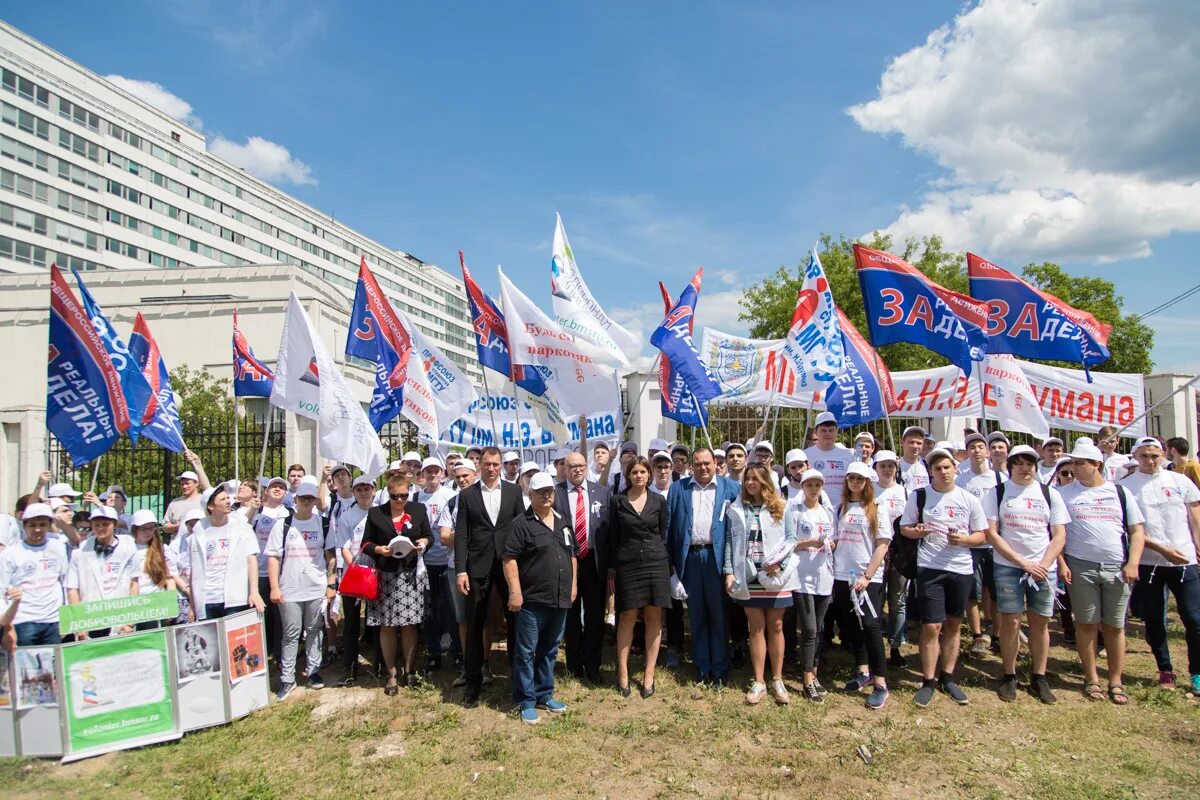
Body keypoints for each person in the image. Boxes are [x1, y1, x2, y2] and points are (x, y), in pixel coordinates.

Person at [1058, 437, 1145, 704]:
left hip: (1117, 567)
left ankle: (1115, 680)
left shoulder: (1119, 492)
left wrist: (1133, 563)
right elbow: (1057, 533)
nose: (1073, 467)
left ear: (1096, 464)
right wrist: (1061, 563)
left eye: (1079, 463)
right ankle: (1091, 678)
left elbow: (1137, 530)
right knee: (1086, 623)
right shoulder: (1064, 493)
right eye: (1072, 462)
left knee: (1115, 625)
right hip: (1080, 566)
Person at [899, 449, 988, 708]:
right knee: (931, 626)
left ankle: (948, 676)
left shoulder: (968, 499)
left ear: (955, 469)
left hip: (960, 568)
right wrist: (916, 531)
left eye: (947, 467)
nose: (943, 472)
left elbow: (982, 535)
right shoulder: (920, 496)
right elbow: (905, 528)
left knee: (954, 623)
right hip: (930, 567)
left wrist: (966, 540)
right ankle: (928, 680)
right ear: (930, 472)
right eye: (937, 468)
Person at [983, 445, 1069, 704]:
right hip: (1009, 566)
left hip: (1044, 568)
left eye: (1030, 462)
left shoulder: (1049, 494)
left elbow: (1059, 534)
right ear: (1010, 466)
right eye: (1019, 462)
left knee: (1040, 622)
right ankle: (1009, 674)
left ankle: (1038, 675)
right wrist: (1021, 562)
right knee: (1010, 621)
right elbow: (991, 533)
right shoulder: (997, 493)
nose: (1025, 467)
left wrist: (1043, 562)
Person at [1122, 436, 1200, 692]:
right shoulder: (1126, 487)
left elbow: (1194, 516)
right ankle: (1165, 669)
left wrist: (1198, 547)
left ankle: (1196, 671)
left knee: (1194, 618)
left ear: (1164, 454)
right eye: (1144, 456)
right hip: (1148, 562)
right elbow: (1131, 529)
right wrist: (1162, 550)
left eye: (1155, 455)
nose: (1150, 460)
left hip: (1184, 560)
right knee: (1155, 619)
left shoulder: (1180, 481)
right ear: (1135, 456)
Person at [502, 472, 577, 724]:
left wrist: (573, 585)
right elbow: (509, 558)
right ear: (530, 495)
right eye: (541, 492)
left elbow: (572, 556)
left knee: (550, 649)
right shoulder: (520, 524)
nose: (547, 495)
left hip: (559, 597)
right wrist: (515, 591)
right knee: (526, 652)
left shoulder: (563, 521)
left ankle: (545, 693)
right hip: (532, 599)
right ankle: (526, 700)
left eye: (550, 491)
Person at [454, 447, 526, 706]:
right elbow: (461, 534)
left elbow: (521, 528)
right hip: (478, 566)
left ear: (501, 465)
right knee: (474, 624)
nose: (492, 468)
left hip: (508, 564)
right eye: (487, 464)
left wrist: (522, 567)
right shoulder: (467, 495)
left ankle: (518, 679)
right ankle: (472, 683)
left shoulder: (514, 491)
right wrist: (461, 569)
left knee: (516, 622)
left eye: (496, 464)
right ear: (479, 466)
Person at [667, 447, 740, 688]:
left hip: (717, 557)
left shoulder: (730, 488)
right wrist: (672, 571)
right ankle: (702, 666)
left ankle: (719, 668)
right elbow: (669, 530)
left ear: (716, 463)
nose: (703, 468)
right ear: (691, 465)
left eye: (707, 463)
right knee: (697, 614)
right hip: (690, 558)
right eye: (698, 463)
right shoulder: (678, 489)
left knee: (718, 614)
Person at [724, 465, 796, 705]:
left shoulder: (782, 506)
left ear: (766, 481)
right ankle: (759, 681)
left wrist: (779, 564)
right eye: (747, 479)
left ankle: (777, 679)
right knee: (754, 627)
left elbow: (791, 539)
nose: (750, 483)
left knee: (775, 626)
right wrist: (729, 572)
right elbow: (729, 541)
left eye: (755, 479)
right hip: (749, 576)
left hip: (775, 576)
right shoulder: (737, 507)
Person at [362, 469, 432, 695]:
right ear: (388, 494)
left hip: (411, 575)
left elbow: (429, 536)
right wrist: (378, 550)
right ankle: (391, 672)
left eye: (404, 495)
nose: (400, 500)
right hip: (386, 575)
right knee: (388, 625)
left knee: (410, 624)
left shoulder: (418, 510)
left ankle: (410, 670)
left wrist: (423, 542)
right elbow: (366, 544)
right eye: (395, 496)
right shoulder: (376, 514)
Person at [607, 456, 670, 697]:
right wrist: (613, 566)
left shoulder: (658, 501)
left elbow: (662, 531)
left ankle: (649, 673)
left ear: (649, 475)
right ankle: (622, 672)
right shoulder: (618, 501)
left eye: (643, 471)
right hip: (628, 565)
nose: (639, 475)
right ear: (629, 475)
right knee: (627, 617)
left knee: (654, 618)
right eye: (635, 472)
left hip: (655, 563)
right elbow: (613, 536)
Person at [267, 481, 336, 700]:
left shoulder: (323, 524)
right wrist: (275, 587)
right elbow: (274, 558)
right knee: (291, 633)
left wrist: (331, 582)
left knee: (315, 630)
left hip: (315, 587)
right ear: (295, 500)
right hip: (290, 588)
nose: (306, 502)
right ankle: (287, 678)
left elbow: (330, 556)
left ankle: (313, 671)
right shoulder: (283, 525)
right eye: (302, 498)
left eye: (310, 498)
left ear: (315, 501)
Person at [830, 462, 891, 709]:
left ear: (868, 482)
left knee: (870, 626)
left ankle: (880, 683)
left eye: (860, 478)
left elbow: (882, 545)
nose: (855, 482)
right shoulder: (840, 508)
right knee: (851, 626)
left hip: (867, 578)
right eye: (851, 478)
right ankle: (862, 671)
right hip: (842, 575)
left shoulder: (876, 508)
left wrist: (867, 575)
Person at [555, 451, 612, 683]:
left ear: (586, 467)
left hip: (595, 563)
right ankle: (574, 665)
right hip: (569, 563)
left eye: (580, 465)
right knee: (570, 617)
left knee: (594, 617)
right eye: (572, 466)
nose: (577, 470)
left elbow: (609, 530)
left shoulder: (603, 492)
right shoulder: (556, 493)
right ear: (565, 469)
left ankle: (593, 665)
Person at [787, 469, 835, 702]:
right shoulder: (795, 510)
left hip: (824, 576)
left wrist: (829, 544)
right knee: (809, 629)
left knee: (819, 629)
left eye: (817, 485)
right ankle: (806, 679)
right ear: (802, 486)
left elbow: (832, 540)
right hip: (802, 576)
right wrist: (810, 542)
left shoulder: (827, 512)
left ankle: (814, 673)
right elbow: (789, 542)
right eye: (809, 485)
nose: (813, 489)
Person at [187, 485, 265, 620]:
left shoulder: (242, 527)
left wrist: (254, 592)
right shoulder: (198, 532)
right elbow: (195, 571)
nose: (228, 501)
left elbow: (251, 560)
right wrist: (193, 605)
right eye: (223, 499)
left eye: (228, 498)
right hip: (207, 600)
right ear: (211, 506)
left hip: (235, 599)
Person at [955, 432, 1000, 660]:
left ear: (988, 451)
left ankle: (995, 630)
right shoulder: (961, 479)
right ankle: (977, 634)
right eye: (972, 447)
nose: (977, 451)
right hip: (971, 543)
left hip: (995, 544)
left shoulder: (999, 478)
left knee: (994, 590)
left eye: (981, 446)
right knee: (970, 590)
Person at [0, 503, 69, 645]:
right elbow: (2, 590)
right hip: (23, 621)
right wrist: (8, 627)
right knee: (26, 667)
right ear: (24, 526)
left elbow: (65, 583)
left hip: (53, 621)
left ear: (49, 525)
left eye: (43, 524)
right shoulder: (10, 554)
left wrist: (66, 619)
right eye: (32, 525)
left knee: (53, 665)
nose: (37, 529)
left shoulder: (58, 547)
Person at [334, 475, 380, 686]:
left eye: (367, 489)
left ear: (374, 490)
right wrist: (355, 567)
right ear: (353, 492)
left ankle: (379, 662)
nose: (363, 493)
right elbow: (343, 546)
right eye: (359, 489)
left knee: (377, 620)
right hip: (354, 574)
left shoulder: (380, 513)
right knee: (352, 623)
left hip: (376, 573)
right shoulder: (347, 516)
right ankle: (349, 665)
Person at [66, 506, 140, 637]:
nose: (100, 528)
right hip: (91, 618)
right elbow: (72, 588)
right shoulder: (80, 552)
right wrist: (79, 623)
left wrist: (130, 621)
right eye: (96, 524)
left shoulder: (128, 548)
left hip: (120, 618)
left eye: (105, 524)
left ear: (115, 524)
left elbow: (134, 583)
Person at [416, 457, 459, 675]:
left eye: (435, 471)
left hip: (447, 560)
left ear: (442, 473)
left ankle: (456, 652)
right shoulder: (415, 498)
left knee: (451, 609)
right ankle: (432, 653)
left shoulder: (451, 496)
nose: (432, 474)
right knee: (429, 610)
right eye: (428, 471)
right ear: (422, 474)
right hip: (424, 563)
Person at [872, 450, 910, 668]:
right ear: (875, 468)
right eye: (882, 466)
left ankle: (896, 646)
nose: (887, 470)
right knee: (876, 600)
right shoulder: (869, 491)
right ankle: (874, 645)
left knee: (898, 601)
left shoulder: (905, 493)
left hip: (899, 553)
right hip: (876, 552)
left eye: (890, 466)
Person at [252, 476, 291, 662]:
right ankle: (262, 650)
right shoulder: (257, 511)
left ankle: (278, 652)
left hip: (281, 571)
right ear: (266, 490)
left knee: (279, 615)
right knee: (261, 614)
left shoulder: (289, 512)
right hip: (259, 571)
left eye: (282, 487)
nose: (277, 489)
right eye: (274, 486)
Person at [130, 510, 174, 629]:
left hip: (155, 607)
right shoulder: (128, 549)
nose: (148, 532)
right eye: (143, 528)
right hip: (133, 606)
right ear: (135, 529)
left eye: (151, 528)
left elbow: (169, 579)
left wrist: (170, 605)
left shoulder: (162, 549)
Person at [804, 412, 853, 506]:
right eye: (823, 430)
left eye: (831, 430)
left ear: (837, 431)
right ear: (816, 432)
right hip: (817, 508)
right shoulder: (806, 455)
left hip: (843, 508)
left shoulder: (849, 454)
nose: (827, 434)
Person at [163, 450, 212, 536]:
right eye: (182, 484)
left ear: (196, 483)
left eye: (187, 483)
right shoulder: (174, 503)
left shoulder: (204, 501)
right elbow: (165, 526)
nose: (184, 486)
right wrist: (178, 526)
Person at [899, 426, 931, 492]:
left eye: (919, 443)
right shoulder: (896, 466)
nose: (915, 446)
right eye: (911, 442)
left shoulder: (928, 466)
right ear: (902, 443)